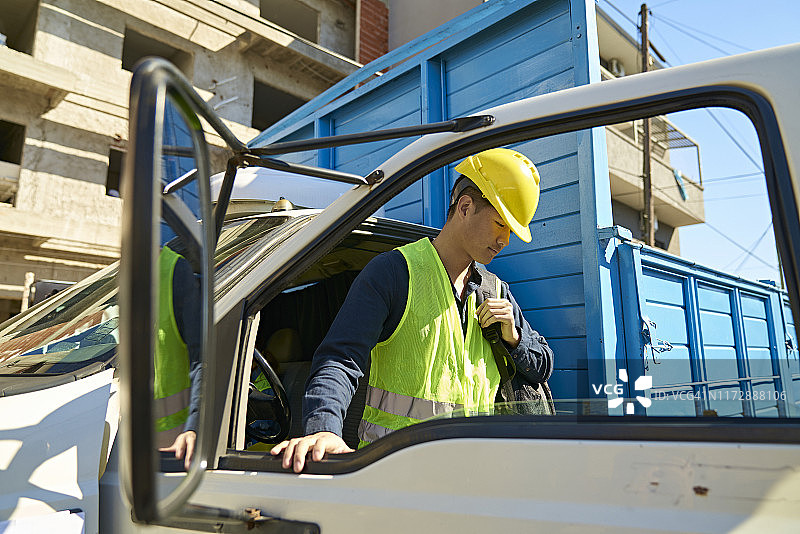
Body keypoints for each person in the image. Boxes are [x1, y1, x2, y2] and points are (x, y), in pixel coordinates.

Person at [271, 148, 554, 472]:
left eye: (510, 231)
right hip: (395, 477)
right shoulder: (394, 273)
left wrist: (514, 339)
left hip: (475, 478)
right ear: (465, 207)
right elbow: (340, 358)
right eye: (500, 223)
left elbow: (543, 365)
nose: (504, 239)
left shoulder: (495, 290)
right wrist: (323, 428)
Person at [156, 244, 203, 470]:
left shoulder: (176, 271)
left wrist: (195, 427)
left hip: (175, 447)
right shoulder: (125, 273)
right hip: (124, 440)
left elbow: (202, 359)